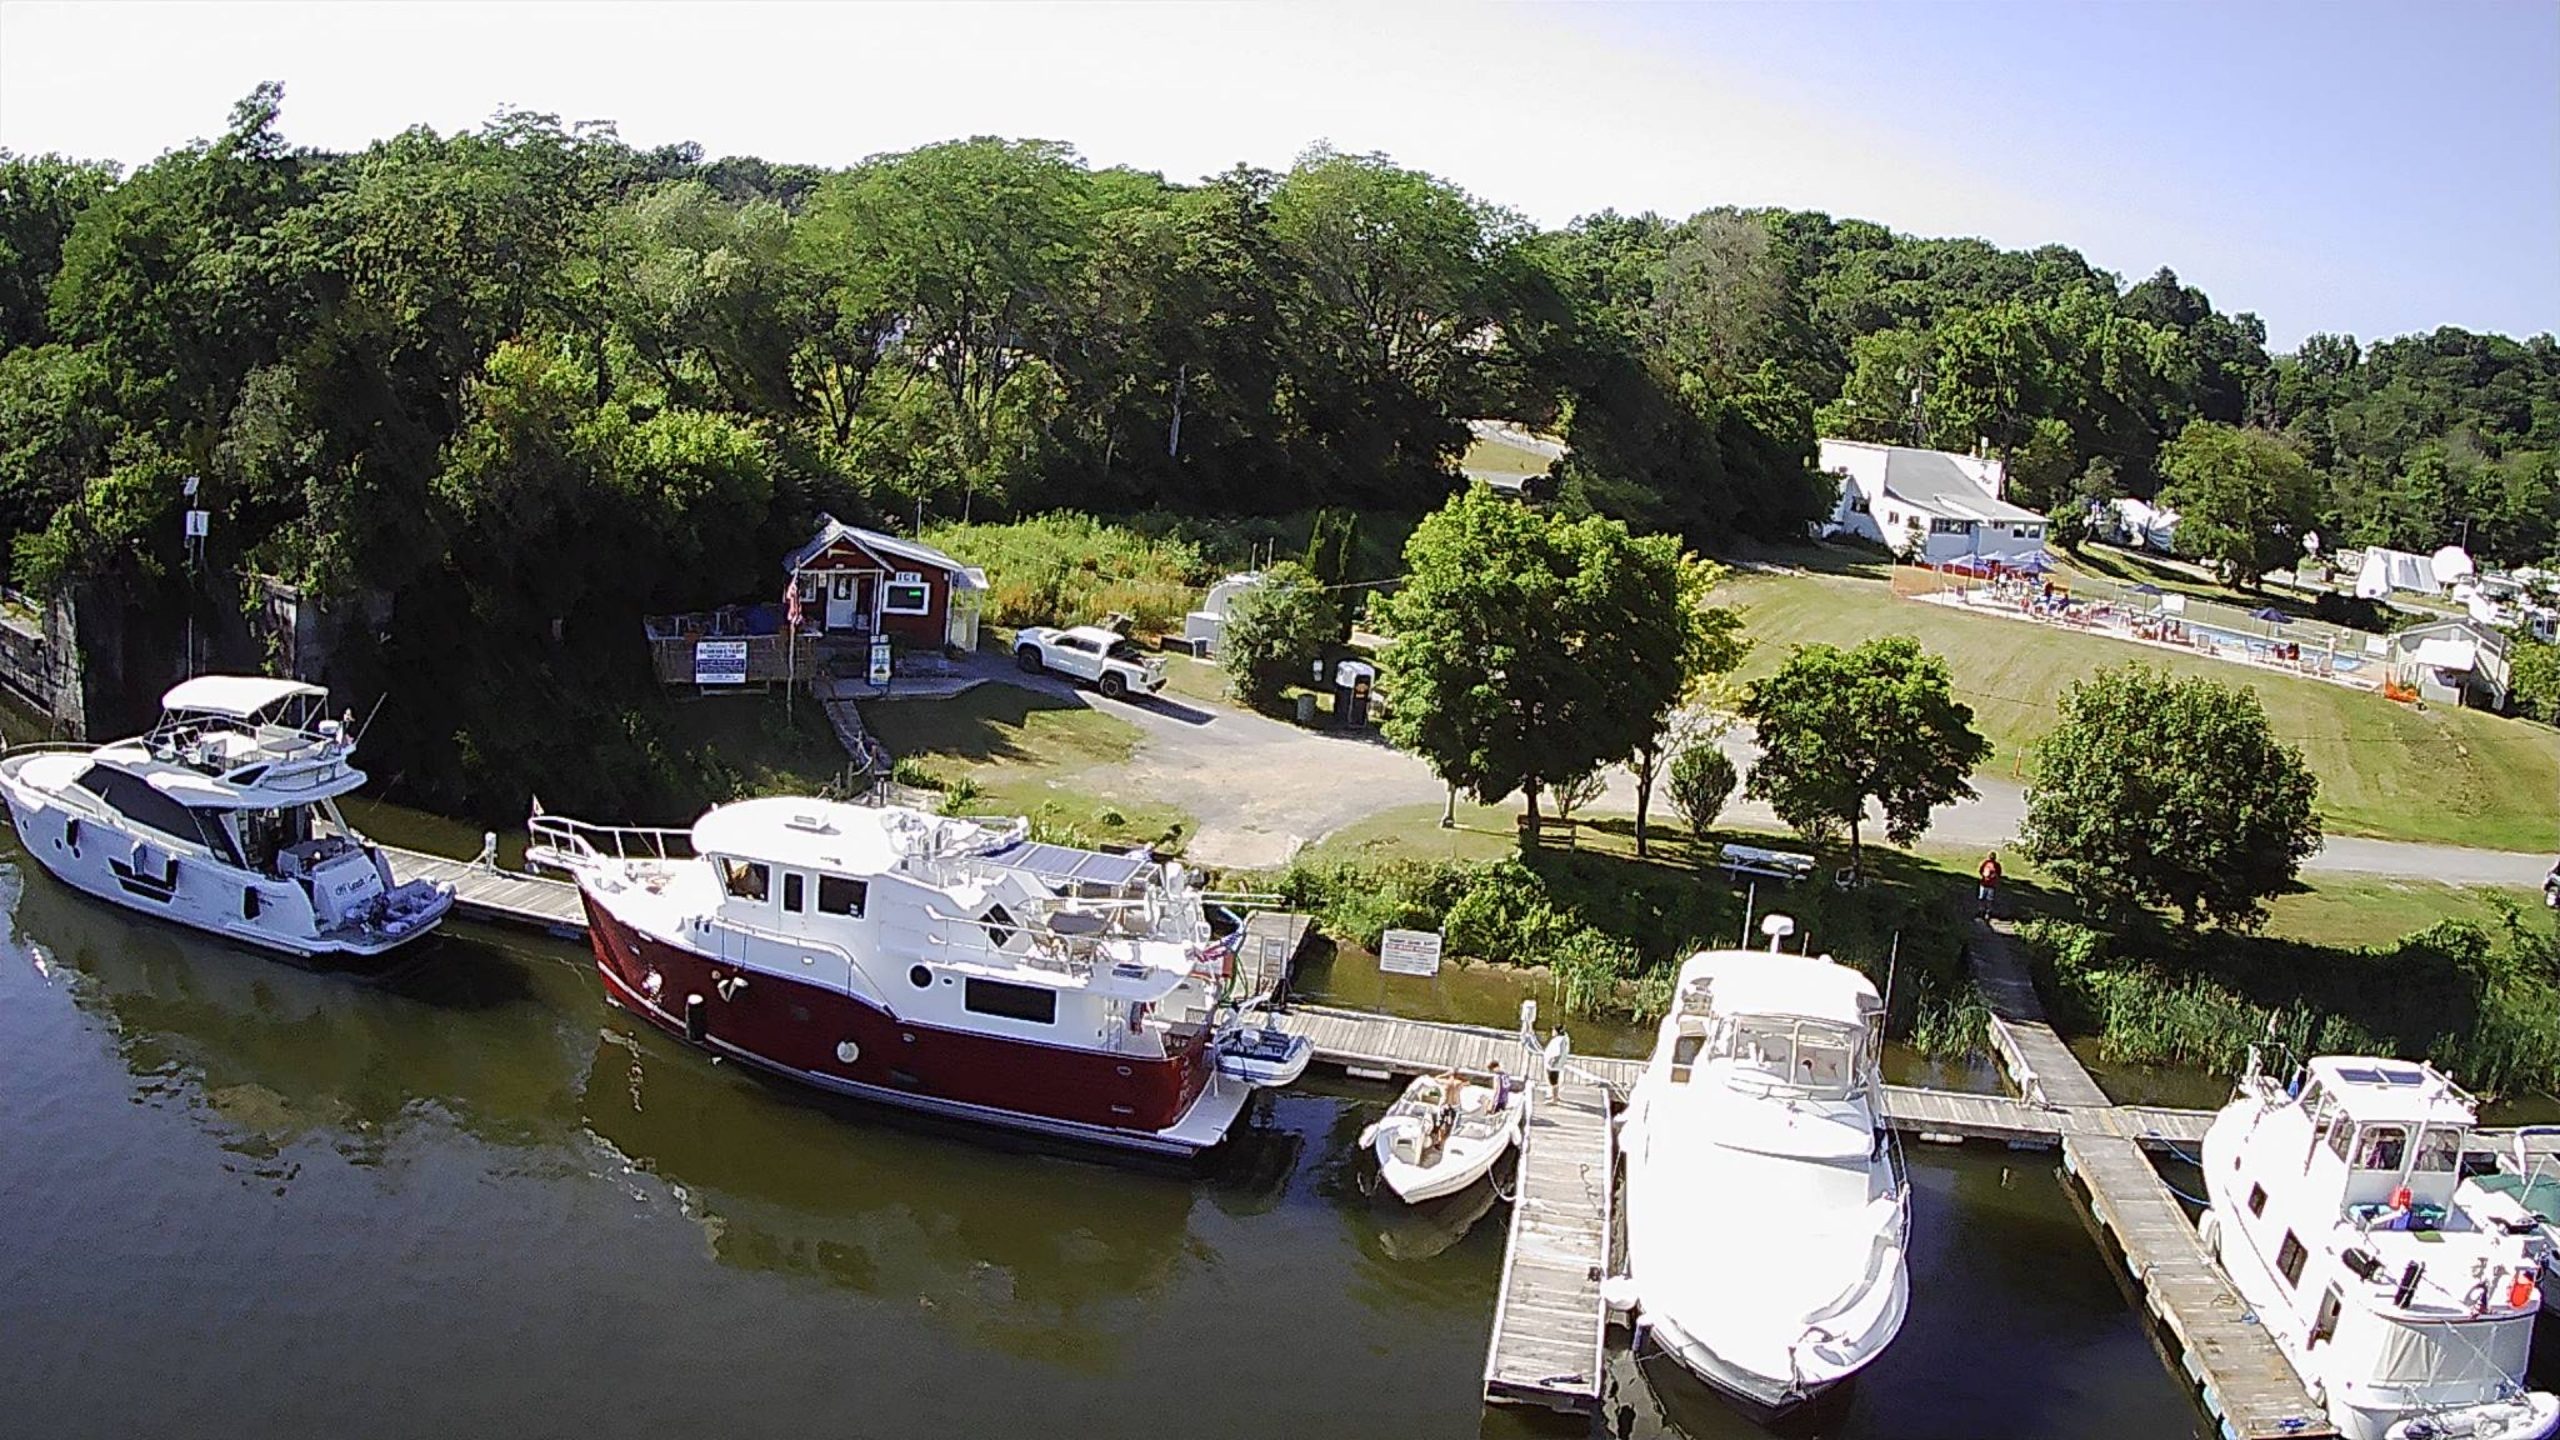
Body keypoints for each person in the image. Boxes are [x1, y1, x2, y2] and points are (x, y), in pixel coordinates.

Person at [1977, 851, 2004, 919]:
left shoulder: (1997, 865)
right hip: (1984, 883)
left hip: (1991, 885)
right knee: (1981, 898)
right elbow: (1980, 870)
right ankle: (1981, 910)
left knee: (1989, 899)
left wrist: (1994, 878)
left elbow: (1999, 874)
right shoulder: (1985, 863)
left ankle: (1988, 911)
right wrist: (1984, 876)